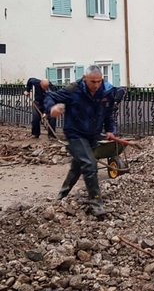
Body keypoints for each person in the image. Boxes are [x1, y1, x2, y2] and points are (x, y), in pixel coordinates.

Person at [45, 65, 117, 217]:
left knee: (77, 166)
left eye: (98, 81)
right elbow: (50, 96)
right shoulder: (74, 90)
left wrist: (110, 130)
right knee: (90, 164)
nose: (96, 85)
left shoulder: (106, 91)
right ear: (85, 79)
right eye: (92, 82)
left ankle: (62, 196)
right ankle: (97, 204)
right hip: (75, 133)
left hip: (92, 135)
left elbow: (108, 113)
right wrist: (52, 108)